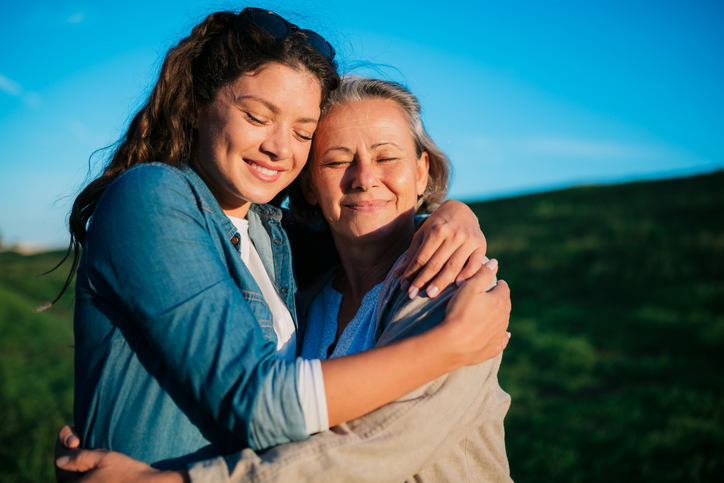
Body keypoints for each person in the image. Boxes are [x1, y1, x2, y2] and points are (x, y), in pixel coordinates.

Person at [56, 6, 510, 474]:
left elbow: (368, 231)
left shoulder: (271, 238)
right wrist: (449, 343)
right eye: (257, 116)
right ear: (194, 105)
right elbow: (256, 401)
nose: (280, 147)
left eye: (302, 131)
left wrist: (449, 215)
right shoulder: (152, 197)